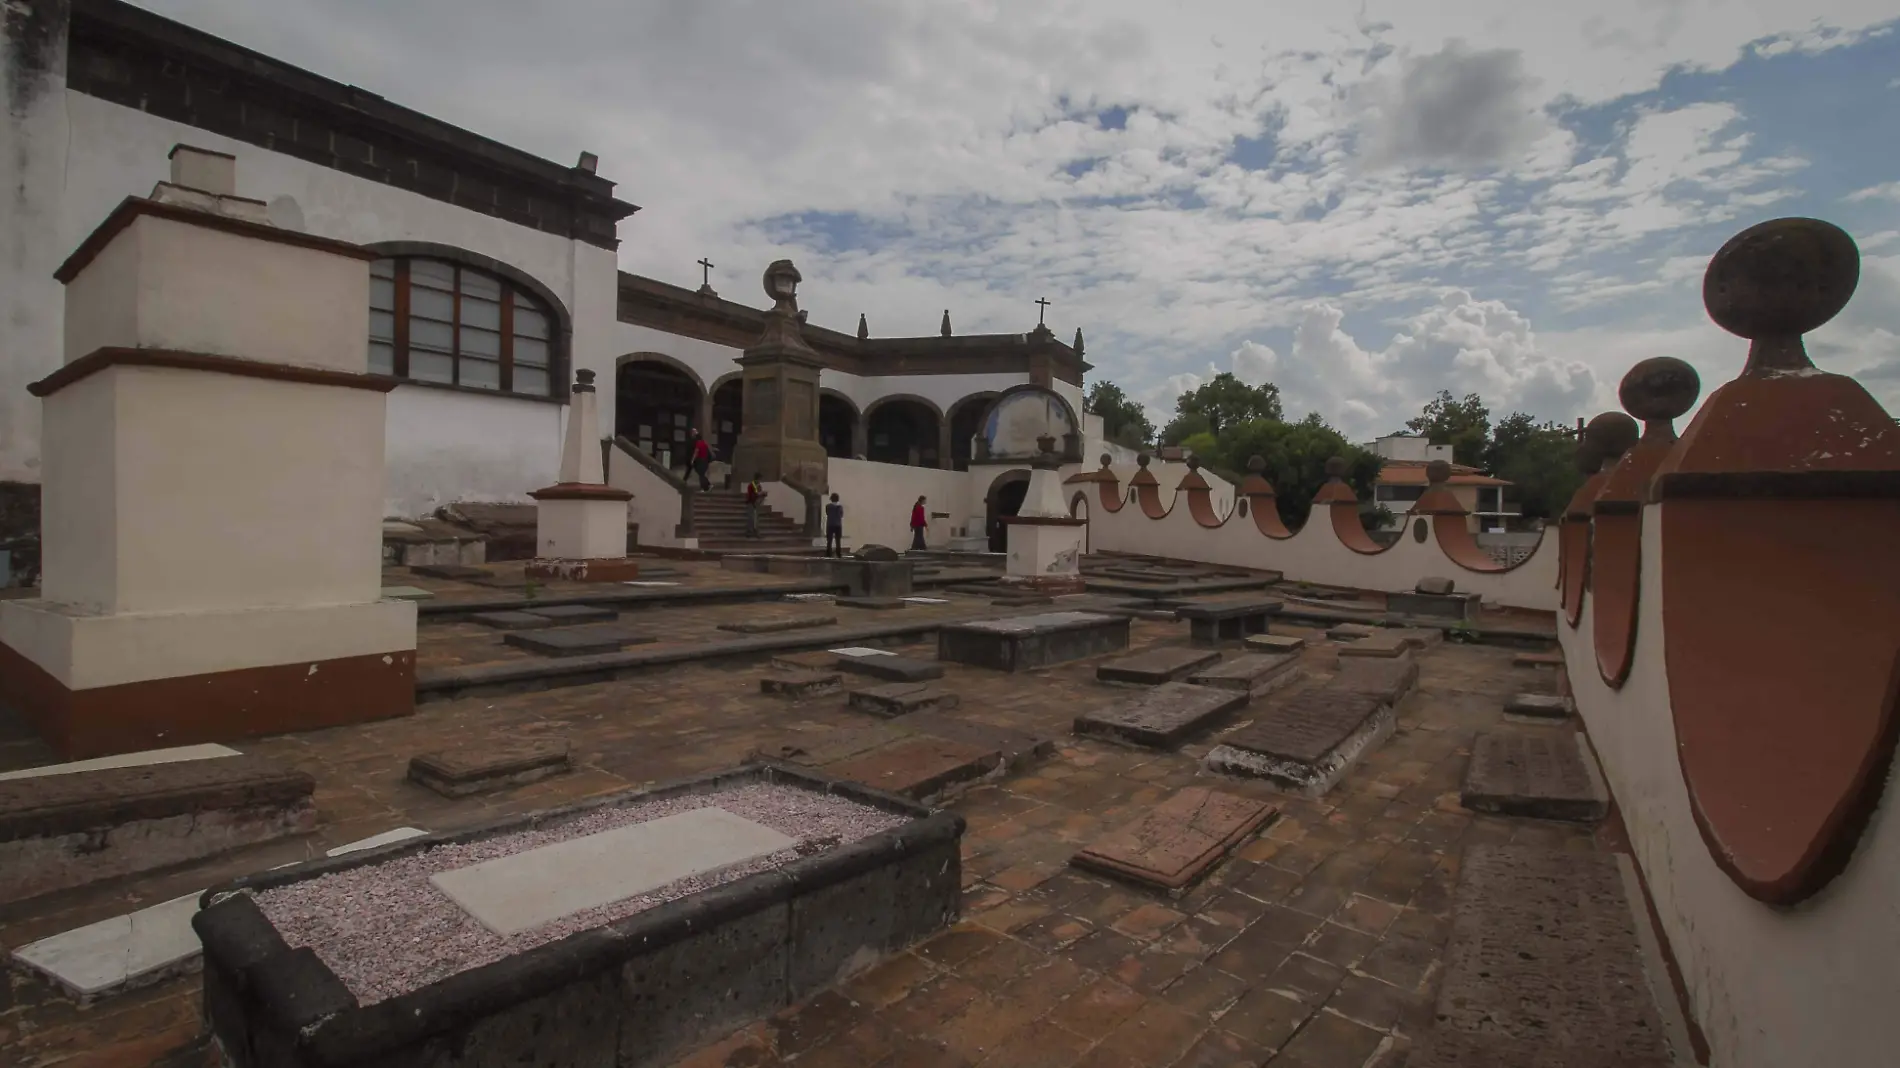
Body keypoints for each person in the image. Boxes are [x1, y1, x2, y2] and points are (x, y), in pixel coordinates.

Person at [824, 493, 845, 557]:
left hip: (830, 524)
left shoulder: (828, 506)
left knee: (829, 540)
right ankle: (838, 553)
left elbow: (827, 513)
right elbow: (841, 515)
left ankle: (828, 553)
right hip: (838, 525)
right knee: (838, 540)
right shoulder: (840, 507)